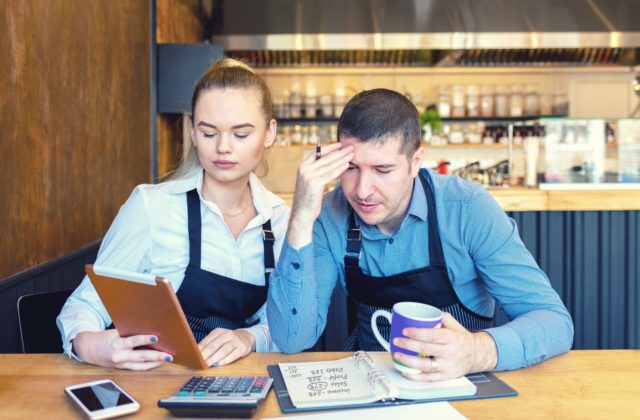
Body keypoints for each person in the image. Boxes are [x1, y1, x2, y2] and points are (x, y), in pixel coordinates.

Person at [267, 88, 574, 381]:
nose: (362, 191)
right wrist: (301, 218)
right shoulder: (328, 214)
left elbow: (554, 320)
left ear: (415, 162)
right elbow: (293, 339)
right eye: (350, 168)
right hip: (369, 389)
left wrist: (477, 352)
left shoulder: (466, 209)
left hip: (461, 385)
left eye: (383, 170)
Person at [57, 58, 288, 370]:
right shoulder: (152, 207)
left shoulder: (280, 220)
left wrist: (250, 338)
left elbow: (286, 328)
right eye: (208, 133)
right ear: (192, 130)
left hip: (245, 387)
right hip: (157, 387)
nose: (223, 147)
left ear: (269, 132)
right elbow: (83, 306)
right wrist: (91, 344)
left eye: (241, 134)